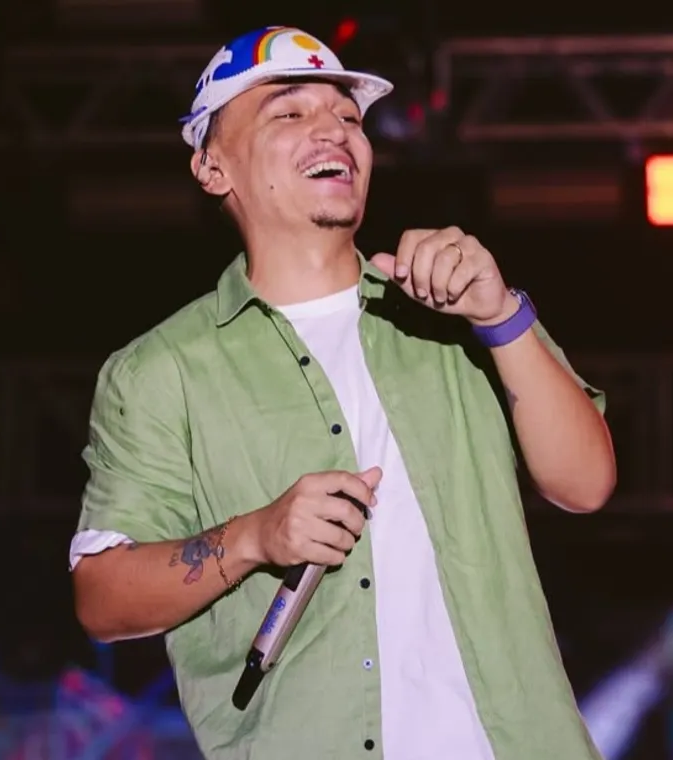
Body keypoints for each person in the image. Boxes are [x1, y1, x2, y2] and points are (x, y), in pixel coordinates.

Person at [69, 25, 616, 760]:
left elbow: (585, 484)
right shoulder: (162, 370)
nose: (334, 130)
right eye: (290, 112)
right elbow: (102, 598)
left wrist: (501, 316)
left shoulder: (455, 307)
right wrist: (256, 536)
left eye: (349, 116)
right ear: (212, 166)